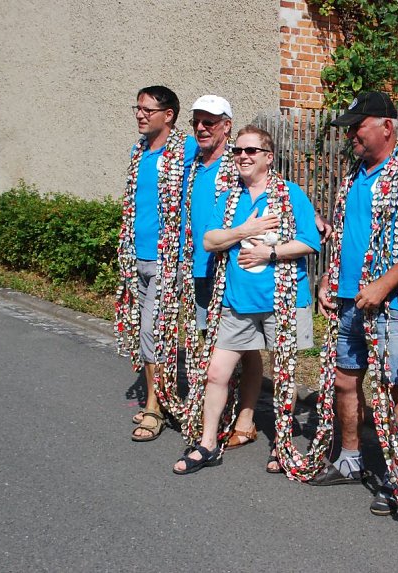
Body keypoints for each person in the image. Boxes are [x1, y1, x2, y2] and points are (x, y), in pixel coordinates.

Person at [313, 91, 398, 517]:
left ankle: (397, 474)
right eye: (348, 127)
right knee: (345, 381)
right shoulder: (356, 173)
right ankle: (350, 458)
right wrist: (331, 279)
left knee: (394, 389)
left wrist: (384, 284)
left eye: (357, 126)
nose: (350, 134)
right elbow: (348, 234)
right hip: (351, 300)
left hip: (392, 304)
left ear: (386, 126)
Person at [172, 125, 321, 474]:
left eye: (251, 151)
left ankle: (281, 445)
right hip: (235, 303)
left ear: (268, 158)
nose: (243, 156)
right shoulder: (229, 198)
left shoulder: (290, 194)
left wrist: (270, 253)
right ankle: (208, 444)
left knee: (284, 376)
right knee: (216, 373)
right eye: (238, 150)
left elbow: (310, 241)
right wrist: (244, 231)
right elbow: (209, 241)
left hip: (281, 302)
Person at [117, 85, 197, 442]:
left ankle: (155, 407)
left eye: (148, 109)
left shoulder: (187, 149)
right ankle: (159, 398)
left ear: (169, 115)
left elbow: (233, 173)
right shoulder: (140, 151)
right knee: (145, 332)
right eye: (137, 108)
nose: (139, 114)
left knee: (153, 330)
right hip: (139, 257)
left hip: (171, 259)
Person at [185, 94, 263, 451]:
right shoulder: (188, 163)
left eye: (210, 122)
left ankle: (245, 418)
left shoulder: (238, 163)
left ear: (226, 127)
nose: (202, 128)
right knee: (213, 344)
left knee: (246, 348)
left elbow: (273, 194)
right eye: (197, 122)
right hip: (197, 268)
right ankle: (219, 412)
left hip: (230, 270)